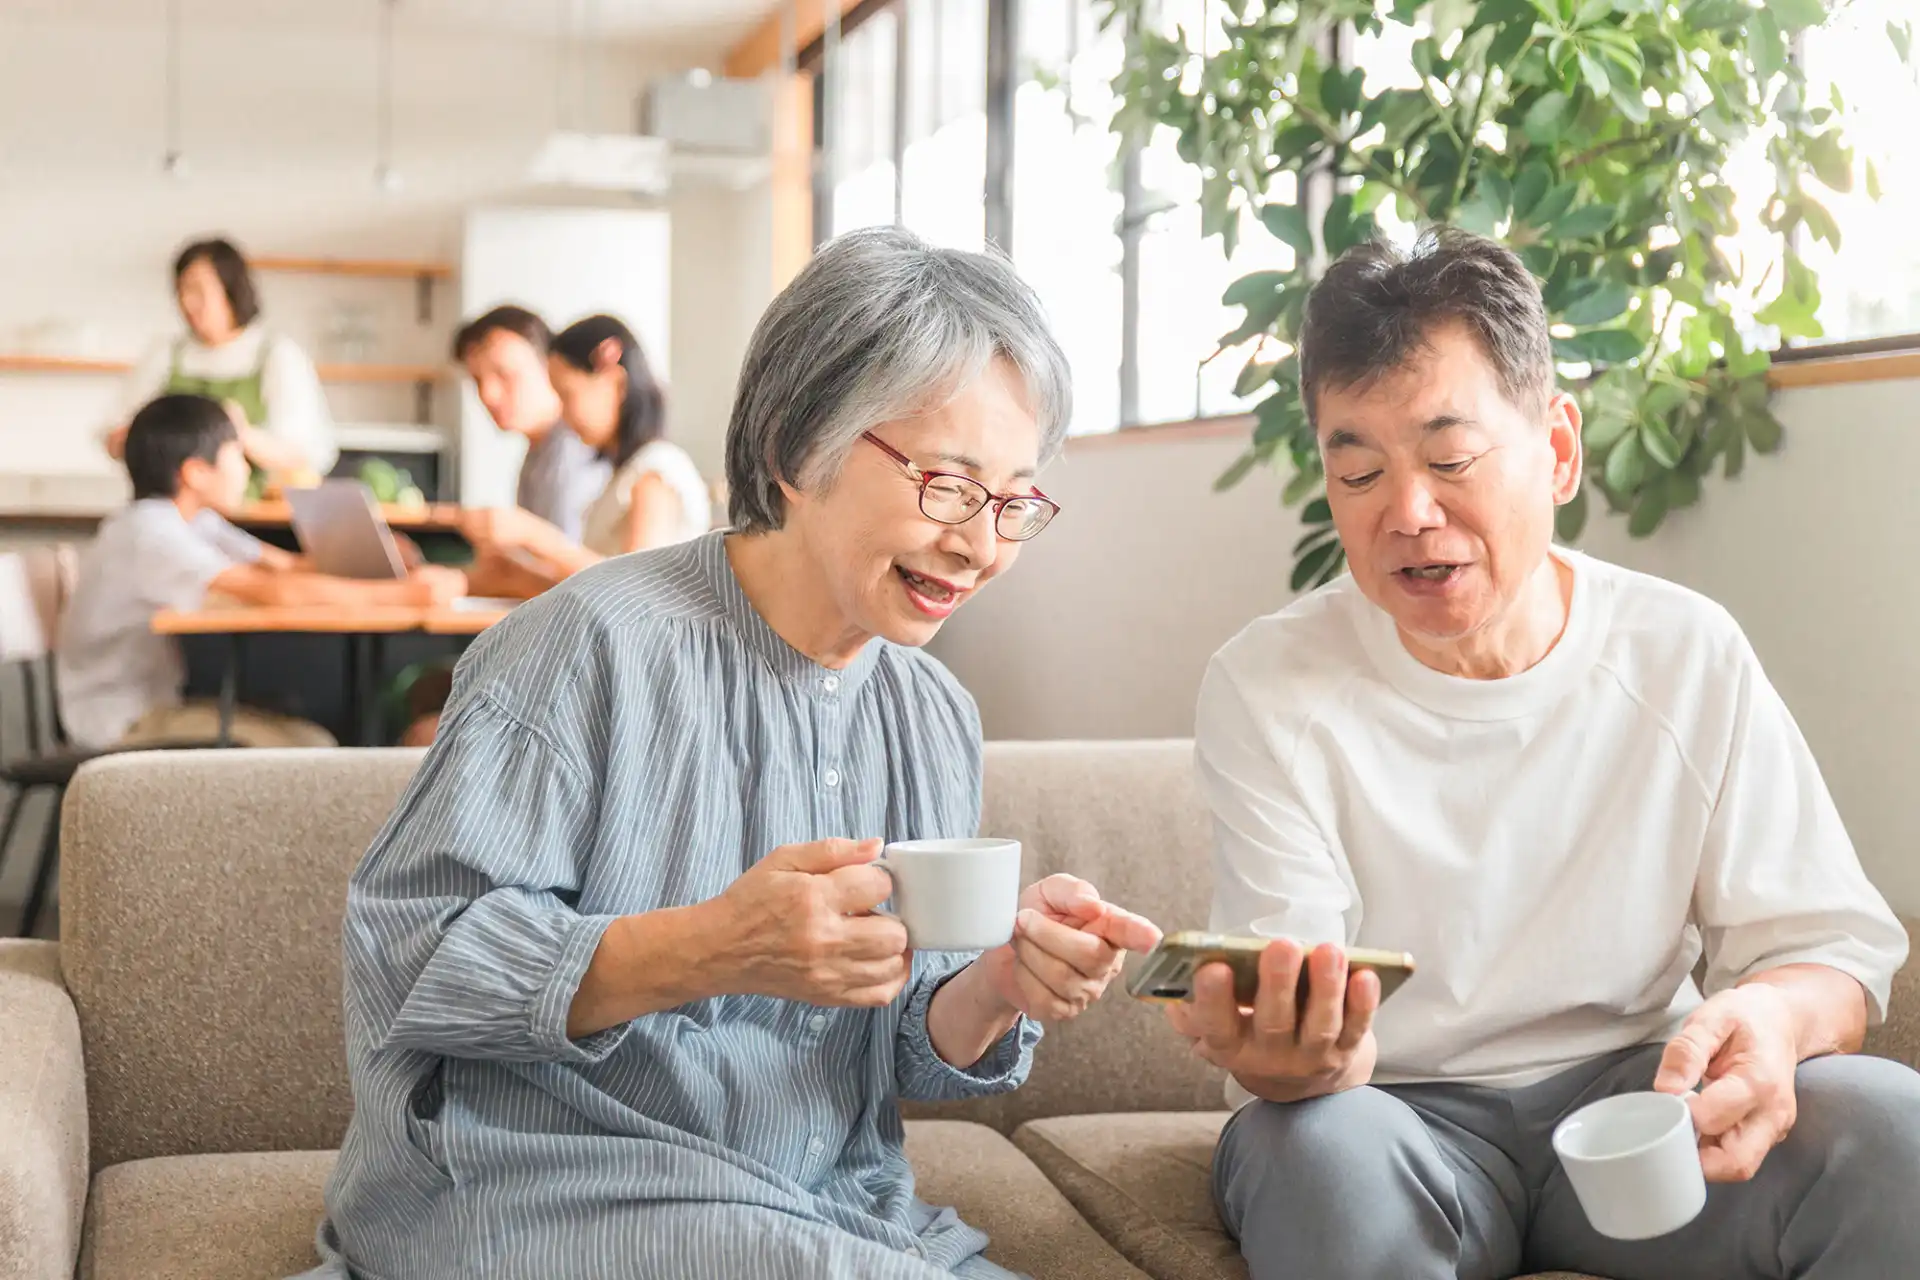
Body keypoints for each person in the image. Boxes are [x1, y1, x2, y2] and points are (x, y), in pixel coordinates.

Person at [303, 227, 1160, 1279]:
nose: (981, 544)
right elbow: (408, 959)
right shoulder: (586, 646)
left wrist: (1003, 982)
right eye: (947, 483)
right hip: (553, 1191)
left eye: (1014, 501)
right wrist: (714, 945)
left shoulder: (934, 714)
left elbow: (898, 1045)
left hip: (821, 1207)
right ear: (796, 450)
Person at [1183, 228, 1919, 1280]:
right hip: (1390, 1115)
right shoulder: (1266, 683)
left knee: (1892, 1129)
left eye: (1450, 460)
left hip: (1642, 1108)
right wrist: (1296, 1057)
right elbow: (1295, 1004)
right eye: (1359, 471)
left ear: (1559, 450)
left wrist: (1771, 1013)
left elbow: (1827, 949)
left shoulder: (1683, 650)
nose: (1409, 513)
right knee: (1320, 1158)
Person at [57, 393, 466, 750]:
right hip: (120, 720)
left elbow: (288, 567)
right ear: (195, 472)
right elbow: (275, 591)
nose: (247, 469)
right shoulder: (150, 532)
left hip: (152, 706)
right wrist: (404, 596)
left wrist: (377, 558)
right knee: (313, 747)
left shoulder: (195, 521)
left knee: (311, 737)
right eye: (237, 455)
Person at [458, 314, 710, 598]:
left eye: (567, 396)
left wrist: (533, 535)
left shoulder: (655, 472)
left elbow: (638, 590)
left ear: (615, 383)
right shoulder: (624, 475)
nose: (563, 413)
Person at [105, 237, 336, 486]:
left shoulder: (277, 354)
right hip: (174, 506)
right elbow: (114, 438)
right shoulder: (164, 354)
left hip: (250, 506)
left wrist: (240, 434)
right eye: (181, 290)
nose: (187, 302)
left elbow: (305, 454)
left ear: (231, 290)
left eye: (198, 290)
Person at [451, 304, 609, 541]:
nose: (487, 394)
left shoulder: (576, 449)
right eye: (477, 380)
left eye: (505, 375)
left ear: (551, 367)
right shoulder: (537, 451)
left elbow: (572, 559)